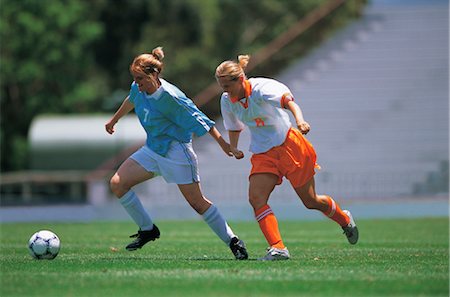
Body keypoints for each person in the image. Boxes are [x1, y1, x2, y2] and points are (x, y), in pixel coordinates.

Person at [105, 47, 248, 260]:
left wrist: (225, 145)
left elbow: (202, 120)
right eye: (135, 78)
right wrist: (114, 120)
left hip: (176, 152)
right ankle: (147, 229)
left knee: (198, 204)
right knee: (117, 183)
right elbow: (132, 98)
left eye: (141, 78)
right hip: (153, 149)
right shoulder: (139, 87)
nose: (137, 83)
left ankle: (233, 241)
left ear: (154, 75)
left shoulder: (172, 98)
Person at [214, 54, 359, 261]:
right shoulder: (227, 100)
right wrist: (234, 148)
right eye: (221, 87)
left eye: (227, 86)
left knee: (311, 201)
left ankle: (344, 218)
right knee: (256, 198)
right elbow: (234, 126)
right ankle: (278, 248)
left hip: (289, 146)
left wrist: (300, 121)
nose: (224, 91)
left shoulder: (261, 88)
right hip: (263, 152)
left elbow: (289, 102)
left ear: (240, 80)